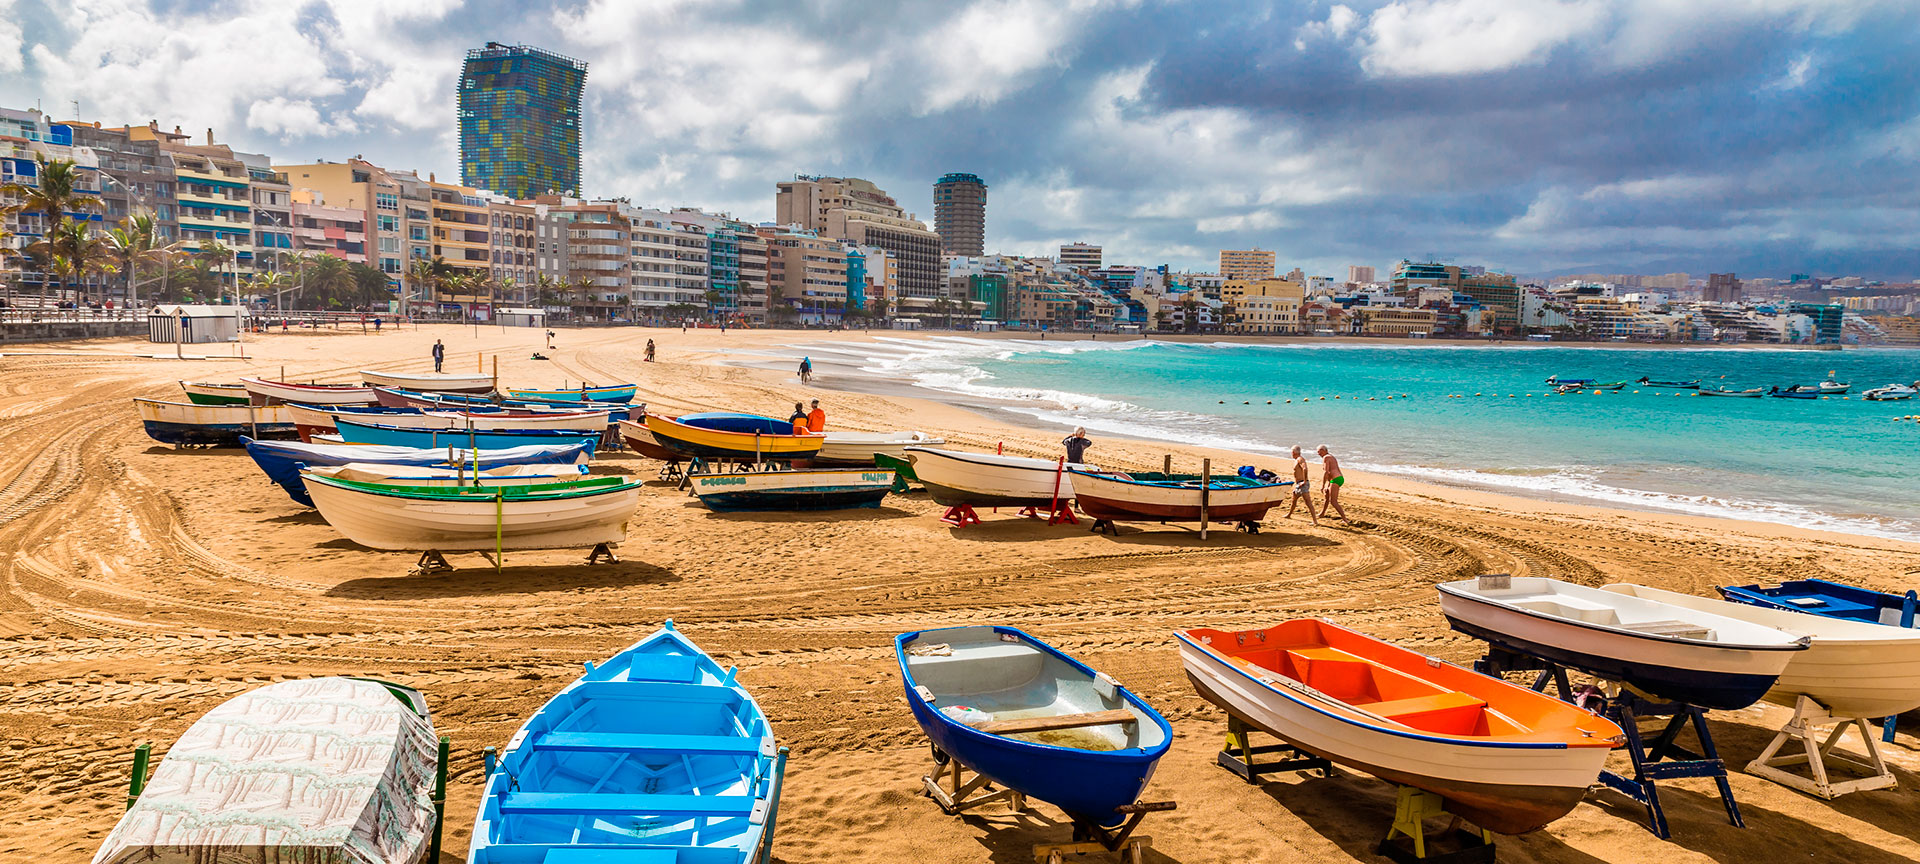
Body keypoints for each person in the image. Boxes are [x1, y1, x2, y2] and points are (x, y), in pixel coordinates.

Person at [1284, 445, 1318, 525]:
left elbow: (1305, 468)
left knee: (1308, 502)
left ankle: (1315, 521)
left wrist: (1304, 481)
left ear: (1293, 452)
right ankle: (1289, 514)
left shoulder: (1300, 459)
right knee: (1294, 498)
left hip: (1303, 483)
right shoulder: (1297, 460)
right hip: (1299, 484)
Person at [1317, 445, 1348, 522]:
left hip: (1336, 479)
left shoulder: (1326, 457)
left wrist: (1323, 485)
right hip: (1337, 478)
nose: (1318, 454)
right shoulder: (1331, 457)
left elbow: (1326, 472)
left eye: (1319, 452)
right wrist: (1328, 485)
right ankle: (1322, 513)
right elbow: (1331, 471)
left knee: (1333, 501)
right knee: (1327, 496)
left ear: (1323, 450)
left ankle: (1345, 519)